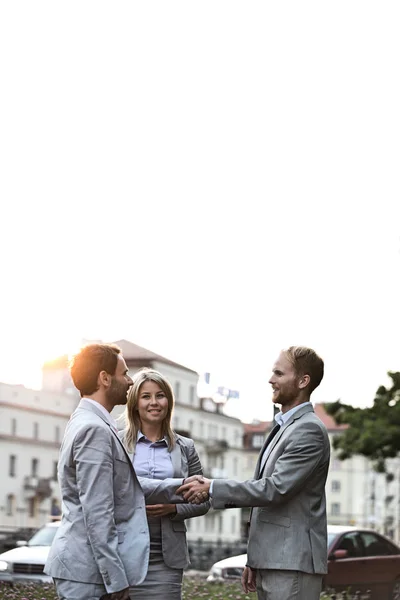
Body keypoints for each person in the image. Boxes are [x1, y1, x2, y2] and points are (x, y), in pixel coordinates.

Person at [178, 346, 330, 600]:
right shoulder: (285, 427)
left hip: (291, 564)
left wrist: (213, 487)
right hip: (274, 561)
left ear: (303, 381)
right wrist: (256, 557)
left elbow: (274, 489)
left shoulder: (308, 431)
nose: (271, 380)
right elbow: (264, 497)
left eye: (279, 373)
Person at [44, 344, 188, 600]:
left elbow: (122, 487)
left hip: (86, 569)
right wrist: (116, 579)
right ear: (104, 378)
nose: (130, 380)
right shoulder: (95, 430)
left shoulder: (86, 421)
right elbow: (97, 511)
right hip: (87, 573)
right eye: (123, 373)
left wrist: (180, 486)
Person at [120, 367, 210, 600]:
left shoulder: (186, 447)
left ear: (168, 402)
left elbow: (203, 501)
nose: (154, 402)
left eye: (160, 395)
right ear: (135, 402)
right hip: (122, 552)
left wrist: (173, 509)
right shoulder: (117, 442)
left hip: (166, 557)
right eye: (146, 396)